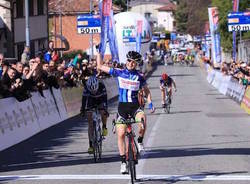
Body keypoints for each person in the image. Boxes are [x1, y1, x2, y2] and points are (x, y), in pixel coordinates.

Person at [97, 51, 155, 174]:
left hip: (135, 107)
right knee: (121, 134)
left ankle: (139, 141)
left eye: (134, 62)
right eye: (129, 61)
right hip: (122, 108)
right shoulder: (119, 72)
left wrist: (150, 103)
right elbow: (100, 66)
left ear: (136, 64)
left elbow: (147, 92)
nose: (131, 63)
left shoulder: (139, 76)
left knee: (143, 120)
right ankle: (123, 162)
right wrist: (99, 52)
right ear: (126, 61)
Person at [81, 76, 109, 154]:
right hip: (91, 100)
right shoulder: (86, 87)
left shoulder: (101, 86)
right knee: (90, 122)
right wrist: (83, 110)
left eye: (94, 90)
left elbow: (105, 100)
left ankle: (104, 127)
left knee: (103, 112)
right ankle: (90, 146)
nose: (93, 91)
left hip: (100, 99)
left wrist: (105, 109)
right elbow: (84, 100)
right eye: (91, 90)